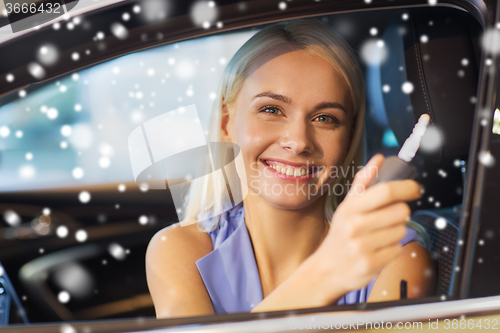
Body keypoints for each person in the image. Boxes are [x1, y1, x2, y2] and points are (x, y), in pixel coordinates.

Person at [145, 18, 436, 318]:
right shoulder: (178, 250)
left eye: (325, 118)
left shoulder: (399, 260)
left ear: (348, 137)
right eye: (271, 110)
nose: (298, 142)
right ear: (225, 124)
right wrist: (327, 271)